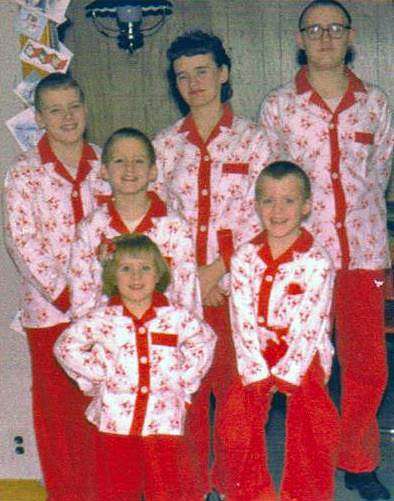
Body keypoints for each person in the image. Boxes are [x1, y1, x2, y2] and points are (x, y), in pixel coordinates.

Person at [259, 1, 393, 499]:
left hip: (363, 254)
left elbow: (378, 175)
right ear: (300, 39)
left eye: (334, 28)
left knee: (366, 365)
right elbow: (272, 181)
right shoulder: (278, 106)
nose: (325, 37)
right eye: (314, 30)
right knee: (306, 365)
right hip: (304, 257)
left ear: (350, 36)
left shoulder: (375, 103)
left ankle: (358, 462)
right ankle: (310, 455)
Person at [153, 30, 273, 495]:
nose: (194, 83)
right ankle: (189, 487)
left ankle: (237, 485)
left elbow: (265, 219)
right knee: (186, 397)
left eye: (202, 71)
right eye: (182, 76)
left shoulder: (255, 141)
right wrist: (189, 280)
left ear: (223, 74)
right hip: (181, 294)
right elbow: (156, 223)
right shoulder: (164, 147)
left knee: (238, 401)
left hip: (235, 289)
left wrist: (217, 271)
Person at [4, 72, 110, 500]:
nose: (67, 117)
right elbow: (21, 241)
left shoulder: (108, 163)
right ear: (40, 118)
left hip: (107, 312)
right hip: (51, 313)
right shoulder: (24, 174)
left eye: (74, 107)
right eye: (55, 110)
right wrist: (68, 296)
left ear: (85, 108)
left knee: (106, 405)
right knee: (59, 415)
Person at [54, 234, 217, 501]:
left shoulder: (176, 316)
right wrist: (97, 376)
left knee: (166, 490)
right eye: (126, 268)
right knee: (117, 489)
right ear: (113, 276)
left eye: (145, 268)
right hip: (116, 422)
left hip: (163, 421)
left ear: (157, 274)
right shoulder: (102, 318)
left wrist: (184, 380)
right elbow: (65, 346)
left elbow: (205, 340)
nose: (136, 276)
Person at [221, 161, 339, 500]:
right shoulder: (245, 256)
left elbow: (313, 323)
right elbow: (240, 316)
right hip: (253, 352)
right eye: (268, 200)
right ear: (256, 205)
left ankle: (304, 493)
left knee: (315, 427)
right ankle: (250, 490)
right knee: (236, 426)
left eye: (288, 201)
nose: (277, 210)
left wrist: (288, 374)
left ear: (305, 207)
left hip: (303, 354)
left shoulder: (316, 261)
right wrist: (256, 371)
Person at [68, 127, 201, 320]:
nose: (129, 168)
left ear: (153, 171)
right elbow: (82, 298)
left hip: (163, 341)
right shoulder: (90, 228)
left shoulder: (175, 228)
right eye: (119, 161)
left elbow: (187, 297)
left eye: (138, 161)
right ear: (104, 171)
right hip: (108, 340)